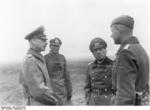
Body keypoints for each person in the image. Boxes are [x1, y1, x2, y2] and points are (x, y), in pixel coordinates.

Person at [110, 15, 149, 105]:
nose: (111, 35)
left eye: (112, 31)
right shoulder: (140, 49)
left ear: (118, 30)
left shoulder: (126, 53)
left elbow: (125, 96)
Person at [20, 26, 60, 105]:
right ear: (33, 41)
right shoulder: (30, 60)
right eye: (43, 40)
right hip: (37, 103)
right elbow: (39, 92)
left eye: (46, 40)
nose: (46, 43)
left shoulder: (38, 58)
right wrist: (55, 101)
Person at [84, 37, 114, 105]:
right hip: (93, 101)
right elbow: (87, 87)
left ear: (105, 50)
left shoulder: (113, 65)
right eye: (95, 50)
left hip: (109, 101)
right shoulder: (90, 66)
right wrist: (88, 100)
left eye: (100, 49)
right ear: (93, 53)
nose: (98, 52)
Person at [44, 37, 72, 105]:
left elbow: (66, 75)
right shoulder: (45, 58)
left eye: (57, 46)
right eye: (54, 46)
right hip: (51, 90)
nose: (56, 48)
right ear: (50, 46)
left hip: (63, 91)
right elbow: (43, 77)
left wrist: (69, 90)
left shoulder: (62, 57)